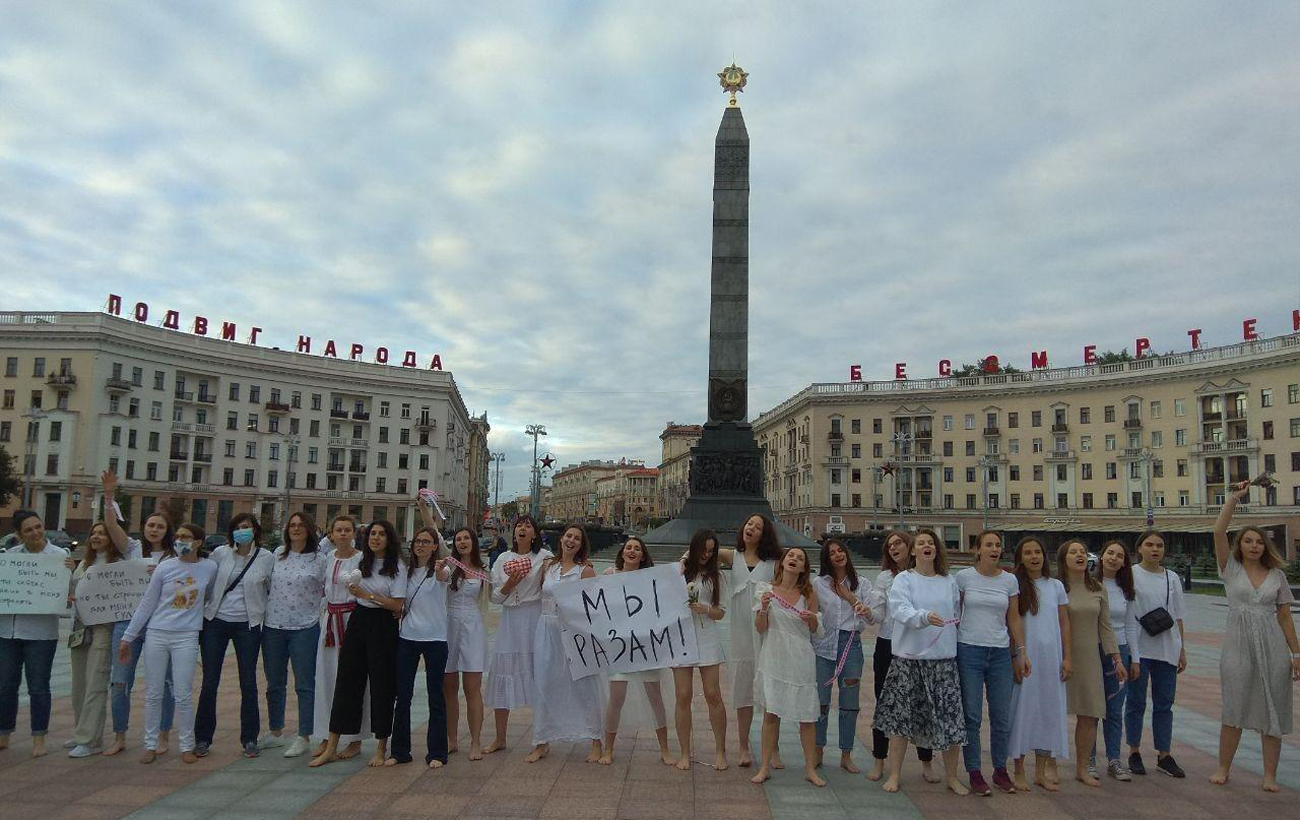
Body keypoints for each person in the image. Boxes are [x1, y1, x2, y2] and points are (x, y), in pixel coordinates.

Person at [1209, 481, 1299, 792]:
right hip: (1238, 645)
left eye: (1259, 542)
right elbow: (1218, 531)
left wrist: (1296, 654)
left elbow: (1285, 617)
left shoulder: (1277, 576)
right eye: (1248, 541)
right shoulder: (1230, 568)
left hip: (1273, 646)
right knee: (1234, 706)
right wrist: (1233, 499)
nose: (1254, 546)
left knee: (1274, 706)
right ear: (1240, 545)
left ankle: (1270, 775)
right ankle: (1223, 767)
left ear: (1265, 547)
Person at [871, 528, 968, 796]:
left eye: (931, 543)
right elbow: (900, 610)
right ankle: (895, 773)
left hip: (943, 661)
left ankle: (952, 776)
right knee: (901, 721)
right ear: (913, 551)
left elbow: (956, 614)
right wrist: (923, 617)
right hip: (909, 660)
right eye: (921, 543)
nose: (927, 546)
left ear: (936, 550)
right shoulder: (904, 579)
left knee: (949, 720)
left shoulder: (949, 581)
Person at [311, 520, 408, 768]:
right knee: (346, 680)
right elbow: (332, 551)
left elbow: (397, 605)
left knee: (381, 685)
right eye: (372, 533)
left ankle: (381, 746)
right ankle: (332, 745)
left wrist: (368, 595)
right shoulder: (362, 561)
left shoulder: (396, 566)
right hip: (358, 620)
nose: (376, 538)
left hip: (383, 625)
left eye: (381, 534)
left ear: (389, 538)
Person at [118, 522, 217, 764]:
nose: (181, 540)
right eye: (178, 536)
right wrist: (128, 637)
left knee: (183, 693)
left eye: (187, 537)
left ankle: (186, 745)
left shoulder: (209, 567)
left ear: (198, 542)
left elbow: (210, 596)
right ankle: (150, 744)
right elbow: (147, 603)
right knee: (153, 693)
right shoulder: (165, 567)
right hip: (157, 633)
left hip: (187, 635)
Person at [100, 469, 177, 757]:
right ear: (143, 528)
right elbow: (111, 525)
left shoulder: (174, 557)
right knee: (120, 681)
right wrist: (109, 496)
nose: (154, 530)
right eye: (150, 525)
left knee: (165, 682)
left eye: (160, 526)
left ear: (167, 531)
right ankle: (119, 735)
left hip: (160, 626)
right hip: (128, 624)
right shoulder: (132, 549)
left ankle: (163, 735)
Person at [955, 530, 1030, 795]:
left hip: (999, 652)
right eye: (989, 545)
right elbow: (955, 613)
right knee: (972, 715)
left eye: (998, 545)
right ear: (977, 549)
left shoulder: (1009, 580)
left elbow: (1013, 618)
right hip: (969, 650)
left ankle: (1000, 769)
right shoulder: (964, 577)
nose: (994, 549)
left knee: (1001, 716)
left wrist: (1021, 651)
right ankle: (974, 771)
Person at [194, 513, 274, 758]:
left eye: (246, 527)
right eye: (238, 527)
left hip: (248, 624)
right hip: (216, 621)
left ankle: (249, 738)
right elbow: (204, 581)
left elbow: (271, 588)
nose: (242, 531)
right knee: (210, 682)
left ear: (255, 530)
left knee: (248, 682)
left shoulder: (266, 558)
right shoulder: (220, 553)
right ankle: (203, 738)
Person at [865, 531, 938, 784]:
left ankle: (926, 761)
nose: (893, 548)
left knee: (922, 703)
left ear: (911, 546)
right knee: (884, 703)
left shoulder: (926, 576)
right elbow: (878, 614)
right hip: (888, 644)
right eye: (889, 546)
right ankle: (879, 759)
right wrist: (866, 613)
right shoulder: (885, 577)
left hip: (919, 645)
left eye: (898, 543)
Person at [527, 523, 602, 763]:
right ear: (561, 539)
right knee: (544, 683)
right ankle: (541, 741)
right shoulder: (548, 566)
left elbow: (594, 606)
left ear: (581, 545)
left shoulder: (585, 571)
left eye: (577, 538)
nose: (571, 540)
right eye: (568, 536)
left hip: (573, 632)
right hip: (546, 628)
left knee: (584, 684)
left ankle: (595, 739)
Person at [750, 547, 824, 787]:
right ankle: (764, 766)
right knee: (771, 713)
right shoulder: (766, 590)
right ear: (782, 562)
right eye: (791, 556)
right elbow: (760, 628)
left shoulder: (809, 594)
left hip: (801, 657)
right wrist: (763, 608)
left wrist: (812, 619)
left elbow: (816, 630)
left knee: (807, 716)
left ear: (803, 568)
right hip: (774, 654)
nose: (794, 559)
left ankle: (810, 769)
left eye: (800, 558)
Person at [715, 513, 782, 768]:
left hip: (768, 632)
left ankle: (773, 748)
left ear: (765, 534)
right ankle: (743, 747)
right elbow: (702, 551)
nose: (751, 528)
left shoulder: (774, 563)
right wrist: (684, 561)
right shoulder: (732, 557)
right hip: (741, 635)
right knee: (742, 692)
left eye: (757, 526)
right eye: (749, 524)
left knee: (771, 694)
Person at [0, 509, 68, 757]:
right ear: (19, 535)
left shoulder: (59, 557)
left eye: (38, 527)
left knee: (38, 686)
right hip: (8, 632)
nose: (36, 532)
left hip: (41, 634)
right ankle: (4, 733)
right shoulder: (9, 558)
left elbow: (68, 592)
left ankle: (39, 737)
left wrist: (69, 575)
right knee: (5, 685)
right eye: (28, 530)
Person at [260, 512, 327, 758]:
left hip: (305, 627)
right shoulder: (278, 554)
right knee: (274, 682)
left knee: (304, 684)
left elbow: (329, 589)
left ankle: (304, 735)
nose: (296, 529)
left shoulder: (320, 559)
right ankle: (276, 731)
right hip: (273, 627)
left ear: (309, 529)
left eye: (300, 525)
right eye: (292, 525)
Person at [1059, 539, 1126, 787]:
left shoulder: (1097, 588)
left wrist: (1116, 658)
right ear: (1063, 558)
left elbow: (1105, 627)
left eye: (1082, 552)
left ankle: (1082, 767)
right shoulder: (1056, 587)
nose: (1079, 555)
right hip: (1058, 656)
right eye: (1073, 552)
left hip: (1089, 658)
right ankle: (1047, 767)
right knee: (1051, 712)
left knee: (1089, 713)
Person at [600, 537, 673, 765]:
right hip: (619, 646)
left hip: (646, 646)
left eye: (637, 549)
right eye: (629, 547)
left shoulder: (651, 579)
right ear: (622, 552)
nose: (632, 551)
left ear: (643, 556)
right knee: (616, 697)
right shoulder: (609, 575)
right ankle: (608, 748)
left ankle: (665, 749)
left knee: (655, 697)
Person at [1006, 536, 1070, 791]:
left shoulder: (1056, 586)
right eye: (1028, 553)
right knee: (1023, 712)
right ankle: (1019, 770)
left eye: (1038, 552)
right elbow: (1011, 622)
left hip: (1052, 660)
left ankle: (1041, 772)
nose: (1034, 557)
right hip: (1027, 659)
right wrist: (1015, 656)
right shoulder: (1015, 585)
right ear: (1020, 558)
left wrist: (1067, 657)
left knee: (1048, 713)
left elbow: (1064, 623)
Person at [483, 515, 551, 754]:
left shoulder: (544, 558)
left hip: (534, 618)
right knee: (503, 674)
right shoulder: (503, 558)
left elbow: (555, 584)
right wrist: (510, 584)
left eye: (528, 526)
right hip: (510, 621)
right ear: (514, 532)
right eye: (519, 525)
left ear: (535, 534)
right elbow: (495, 597)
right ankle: (500, 737)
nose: (523, 528)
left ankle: (542, 740)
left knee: (539, 676)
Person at [1125, 529, 1187, 778]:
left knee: (1164, 703)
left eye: (1159, 545)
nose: (1154, 549)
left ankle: (1164, 754)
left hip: (1167, 648)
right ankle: (1134, 751)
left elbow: (1178, 615)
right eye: (1149, 545)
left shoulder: (1172, 577)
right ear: (1139, 548)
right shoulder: (1130, 574)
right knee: (1136, 702)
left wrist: (1181, 649)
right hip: (1139, 648)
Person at [389, 527, 450, 768]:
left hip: (435, 638)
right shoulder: (405, 572)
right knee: (403, 696)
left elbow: (443, 576)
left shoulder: (440, 569)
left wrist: (439, 568)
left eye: (426, 542)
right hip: (408, 637)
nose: (420, 545)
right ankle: (399, 751)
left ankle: (437, 753)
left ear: (434, 546)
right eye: (417, 541)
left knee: (436, 696)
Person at [66, 521, 125, 758]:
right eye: (94, 533)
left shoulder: (119, 565)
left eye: (102, 533)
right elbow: (72, 593)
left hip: (103, 628)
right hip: (80, 627)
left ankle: (90, 740)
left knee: (95, 682)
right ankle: (81, 730)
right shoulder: (83, 564)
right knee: (79, 684)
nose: (96, 537)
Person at [672, 528, 728, 771]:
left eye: (711, 551)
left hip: (707, 635)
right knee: (683, 696)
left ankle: (720, 751)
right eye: (703, 550)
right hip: (681, 636)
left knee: (713, 694)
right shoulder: (680, 572)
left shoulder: (717, 577)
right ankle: (684, 752)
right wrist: (684, 560)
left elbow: (720, 612)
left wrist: (705, 609)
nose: (707, 554)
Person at [311, 515, 367, 761]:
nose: (342, 534)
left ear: (354, 533)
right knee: (326, 677)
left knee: (353, 680)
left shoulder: (361, 559)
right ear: (331, 534)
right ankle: (327, 734)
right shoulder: (327, 559)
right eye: (338, 530)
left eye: (347, 530)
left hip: (352, 619)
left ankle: (354, 738)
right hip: (330, 622)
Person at [811, 539, 867, 773]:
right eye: (832, 552)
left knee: (849, 701)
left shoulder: (862, 583)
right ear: (827, 559)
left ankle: (846, 753)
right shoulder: (819, 583)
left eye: (841, 550)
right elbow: (813, 612)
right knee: (821, 701)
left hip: (850, 643)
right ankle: (818, 750)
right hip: (824, 644)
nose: (838, 555)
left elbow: (870, 616)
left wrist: (850, 597)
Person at [1091, 540, 1143, 781]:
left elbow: (1131, 626)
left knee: (1114, 709)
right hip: (1093, 649)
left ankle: (1114, 759)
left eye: (1119, 555)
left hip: (1119, 652)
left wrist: (1135, 659)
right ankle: (1089, 759)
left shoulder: (1127, 590)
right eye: (1110, 553)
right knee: (1091, 708)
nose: (1113, 558)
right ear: (1101, 557)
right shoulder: (1090, 585)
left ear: (1124, 563)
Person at [443, 524, 489, 761]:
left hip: (473, 628)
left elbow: (497, 594)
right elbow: (433, 531)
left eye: (466, 538)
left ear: (473, 542)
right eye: (458, 539)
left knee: (472, 688)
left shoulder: (483, 570)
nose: (462, 542)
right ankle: (451, 739)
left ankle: (475, 741)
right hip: (449, 626)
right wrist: (424, 508)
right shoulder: (449, 566)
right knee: (448, 688)